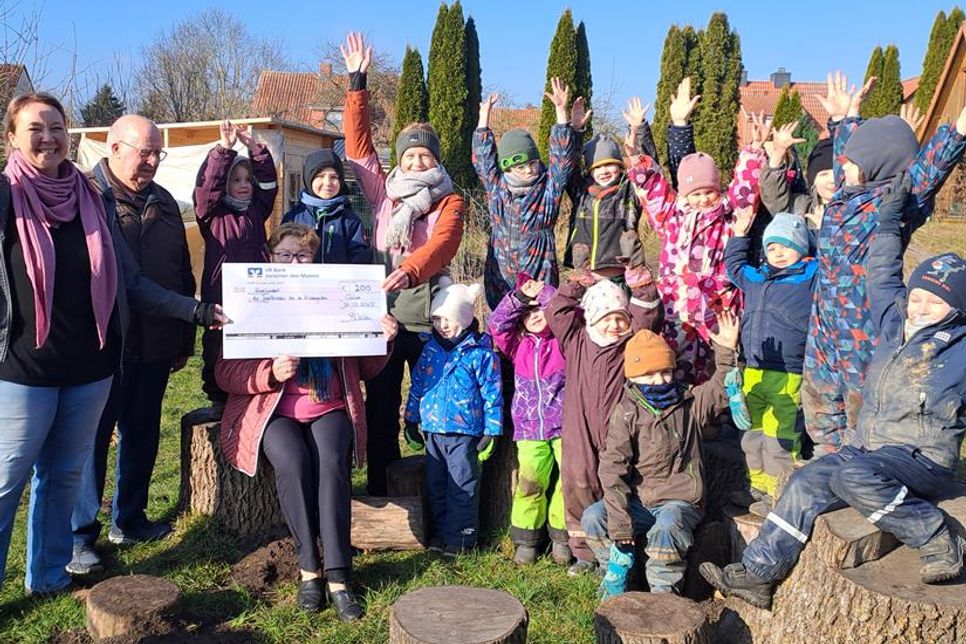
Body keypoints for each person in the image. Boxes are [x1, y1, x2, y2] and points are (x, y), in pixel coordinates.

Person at [702, 174, 966, 609]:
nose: (919, 308)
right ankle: (758, 572)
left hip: (921, 458)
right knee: (805, 480)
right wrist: (887, 221)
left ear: (956, 308)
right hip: (869, 447)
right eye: (917, 296)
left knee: (849, 475)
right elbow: (881, 272)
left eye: (933, 303)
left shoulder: (958, 348)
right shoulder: (893, 321)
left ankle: (937, 536)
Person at [0, 93, 220, 595]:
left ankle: (50, 576)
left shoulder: (89, 199)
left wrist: (197, 311)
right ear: (12, 136)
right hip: (23, 371)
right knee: (5, 485)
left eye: (57, 127)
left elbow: (132, 281)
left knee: (62, 477)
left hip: (91, 368)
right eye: (35, 128)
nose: (48, 138)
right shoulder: (7, 196)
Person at [216, 223, 396, 622]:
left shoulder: (332, 295)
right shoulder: (250, 300)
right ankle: (308, 569)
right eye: (285, 255)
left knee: (333, 464)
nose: (295, 262)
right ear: (270, 258)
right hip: (273, 412)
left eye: (303, 255)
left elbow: (365, 367)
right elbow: (225, 373)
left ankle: (338, 576)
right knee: (293, 463)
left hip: (328, 405)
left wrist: (381, 338)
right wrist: (269, 372)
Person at [70, 113, 209, 573]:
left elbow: (181, 271)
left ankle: (128, 518)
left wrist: (183, 335)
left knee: (143, 433)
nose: (151, 161)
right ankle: (79, 536)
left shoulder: (165, 202)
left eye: (157, 152)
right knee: (90, 441)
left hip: (155, 343)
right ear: (113, 148)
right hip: (103, 346)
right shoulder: (89, 199)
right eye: (143, 151)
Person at [801, 72, 966, 455]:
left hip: (864, 324)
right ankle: (827, 459)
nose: (841, 166)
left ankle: (867, 464)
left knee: (864, 405)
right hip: (825, 320)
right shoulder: (846, 193)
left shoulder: (896, 201)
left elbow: (928, 174)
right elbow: (854, 152)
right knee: (821, 397)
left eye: (850, 161)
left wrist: (957, 132)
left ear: (877, 164)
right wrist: (846, 118)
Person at [340, 32, 465, 497]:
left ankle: (439, 492)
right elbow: (357, 147)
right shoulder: (383, 193)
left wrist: (411, 268)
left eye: (425, 154)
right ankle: (381, 489)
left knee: (435, 407)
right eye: (410, 154)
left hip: (429, 319)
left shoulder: (448, 199)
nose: (416, 160)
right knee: (381, 406)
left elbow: (445, 245)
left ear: (435, 159)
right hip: (384, 318)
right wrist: (358, 82)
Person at [583, 312, 739, 598]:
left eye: (665, 372)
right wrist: (620, 526)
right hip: (639, 500)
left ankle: (663, 594)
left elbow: (720, 391)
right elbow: (612, 469)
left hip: (679, 500)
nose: (659, 380)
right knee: (594, 517)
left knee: (667, 529)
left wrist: (726, 351)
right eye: (649, 374)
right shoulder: (626, 412)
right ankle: (616, 573)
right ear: (633, 376)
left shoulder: (689, 402)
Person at [627, 78, 767, 386]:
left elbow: (745, 188)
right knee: (676, 364)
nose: (703, 199)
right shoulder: (670, 215)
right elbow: (651, 188)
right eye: (696, 193)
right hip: (676, 306)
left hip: (717, 305)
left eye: (709, 191)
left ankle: (719, 418)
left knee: (719, 367)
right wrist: (638, 157)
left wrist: (754, 152)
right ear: (685, 194)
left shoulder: (728, 215)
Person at [545, 266, 663, 574]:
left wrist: (642, 290)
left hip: (619, 430)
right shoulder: (577, 341)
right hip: (579, 426)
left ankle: (615, 549)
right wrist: (573, 284)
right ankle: (585, 553)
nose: (613, 325)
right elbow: (557, 313)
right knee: (579, 482)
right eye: (606, 318)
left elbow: (647, 320)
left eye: (619, 318)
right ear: (592, 318)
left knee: (617, 486)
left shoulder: (630, 345)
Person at [724, 209, 817, 517]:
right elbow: (734, 266)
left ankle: (779, 489)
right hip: (753, 367)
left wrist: (818, 230)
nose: (778, 253)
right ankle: (757, 485)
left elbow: (833, 263)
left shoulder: (809, 276)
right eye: (772, 247)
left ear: (802, 249)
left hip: (788, 372)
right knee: (752, 431)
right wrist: (739, 235)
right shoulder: (757, 278)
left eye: (786, 246)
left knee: (780, 435)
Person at [403, 279, 502, 557]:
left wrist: (492, 430)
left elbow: (492, 393)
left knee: (462, 485)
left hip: (464, 431)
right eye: (436, 320)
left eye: (448, 320)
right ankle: (439, 532)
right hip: (433, 430)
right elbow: (419, 384)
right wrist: (411, 419)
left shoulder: (480, 354)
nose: (442, 326)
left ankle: (461, 537)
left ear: (464, 318)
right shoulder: (430, 349)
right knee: (436, 485)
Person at [193, 119, 278, 415]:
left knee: (254, 344)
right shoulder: (212, 214)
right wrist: (224, 150)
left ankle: (253, 395)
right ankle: (217, 398)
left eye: (247, 180)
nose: (243, 186)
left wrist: (257, 151)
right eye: (236, 180)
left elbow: (269, 184)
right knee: (217, 345)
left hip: (255, 296)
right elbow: (207, 189)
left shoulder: (258, 210)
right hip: (221, 298)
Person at [472, 79, 575, 310]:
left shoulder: (548, 188)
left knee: (538, 335)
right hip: (500, 279)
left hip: (539, 278)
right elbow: (483, 162)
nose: (529, 170)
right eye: (521, 166)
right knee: (503, 333)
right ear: (507, 167)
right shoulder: (498, 189)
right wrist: (483, 119)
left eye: (533, 163)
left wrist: (561, 113)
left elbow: (562, 160)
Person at [488, 276, 569, 565]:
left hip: (563, 425)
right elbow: (497, 324)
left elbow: (568, 313)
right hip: (529, 428)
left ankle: (562, 537)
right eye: (529, 314)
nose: (535, 317)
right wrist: (520, 298)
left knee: (568, 482)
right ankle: (527, 539)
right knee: (530, 481)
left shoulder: (563, 341)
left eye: (541, 311)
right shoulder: (516, 346)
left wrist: (546, 295)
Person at [280, 148, 371, 264]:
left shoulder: (350, 220)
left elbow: (360, 257)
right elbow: (281, 254)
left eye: (333, 177)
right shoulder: (293, 218)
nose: (327, 183)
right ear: (309, 179)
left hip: (337, 281)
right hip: (301, 281)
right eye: (320, 176)